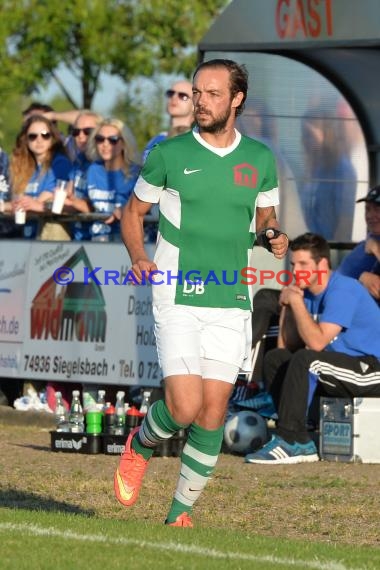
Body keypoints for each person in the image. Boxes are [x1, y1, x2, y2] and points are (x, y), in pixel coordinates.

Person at [115, 58, 288, 527]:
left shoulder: (260, 159)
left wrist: (273, 236)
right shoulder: (168, 155)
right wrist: (138, 258)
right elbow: (132, 214)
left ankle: (178, 515)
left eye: (212, 94)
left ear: (237, 100)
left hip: (231, 297)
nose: (201, 102)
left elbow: (265, 221)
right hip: (177, 293)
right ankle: (141, 443)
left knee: (213, 413)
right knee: (185, 407)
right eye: (196, 93)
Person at [245, 232, 380, 465]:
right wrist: (289, 303)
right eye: (293, 264)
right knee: (276, 359)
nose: (296, 271)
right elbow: (287, 345)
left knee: (308, 359)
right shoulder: (307, 292)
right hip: (337, 365)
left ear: (323, 264)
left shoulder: (343, 288)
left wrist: (296, 302)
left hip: (369, 369)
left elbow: (316, 343)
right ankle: (301, 435)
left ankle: (290, 440)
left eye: (303, 264)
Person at [9, 115, 72, 239]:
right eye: (33, 136)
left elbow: (53, 195)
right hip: (26, 233)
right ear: (25, 140)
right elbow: (17, 198)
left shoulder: (60, 162)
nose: (39, 140)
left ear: (52, 138)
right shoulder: (22, 165)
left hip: (48, 236)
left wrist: (32, 203)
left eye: (45, 135)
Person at [300, 103, 357, 241]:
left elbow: (345, 223)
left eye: (309, 134)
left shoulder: (342, 170)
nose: (304, 141)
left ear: (327, 133)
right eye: (303, 135)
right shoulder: (314, 168)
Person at [84, 117, 141, 241]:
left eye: (113, 140)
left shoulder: (138, 173)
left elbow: (148, 207)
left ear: (124, 143)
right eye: (100, 139)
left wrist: (126, 210)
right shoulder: (92, 170)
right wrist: (70, 201)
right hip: (97, 239)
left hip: (127, 241)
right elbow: (89, 205)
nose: (105, 144)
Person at [337, 185, 380, 304]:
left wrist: (376, 249)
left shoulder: (373, 246)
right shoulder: (364, 244)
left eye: (377, 209)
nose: (370, 215)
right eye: (368, 209)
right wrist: (359, 280)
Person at [142, 80, 194, 162]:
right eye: (171, 93)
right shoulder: (156, 139)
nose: (174, 97)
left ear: (194, 106)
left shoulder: (197, 143)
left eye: (183, 96)